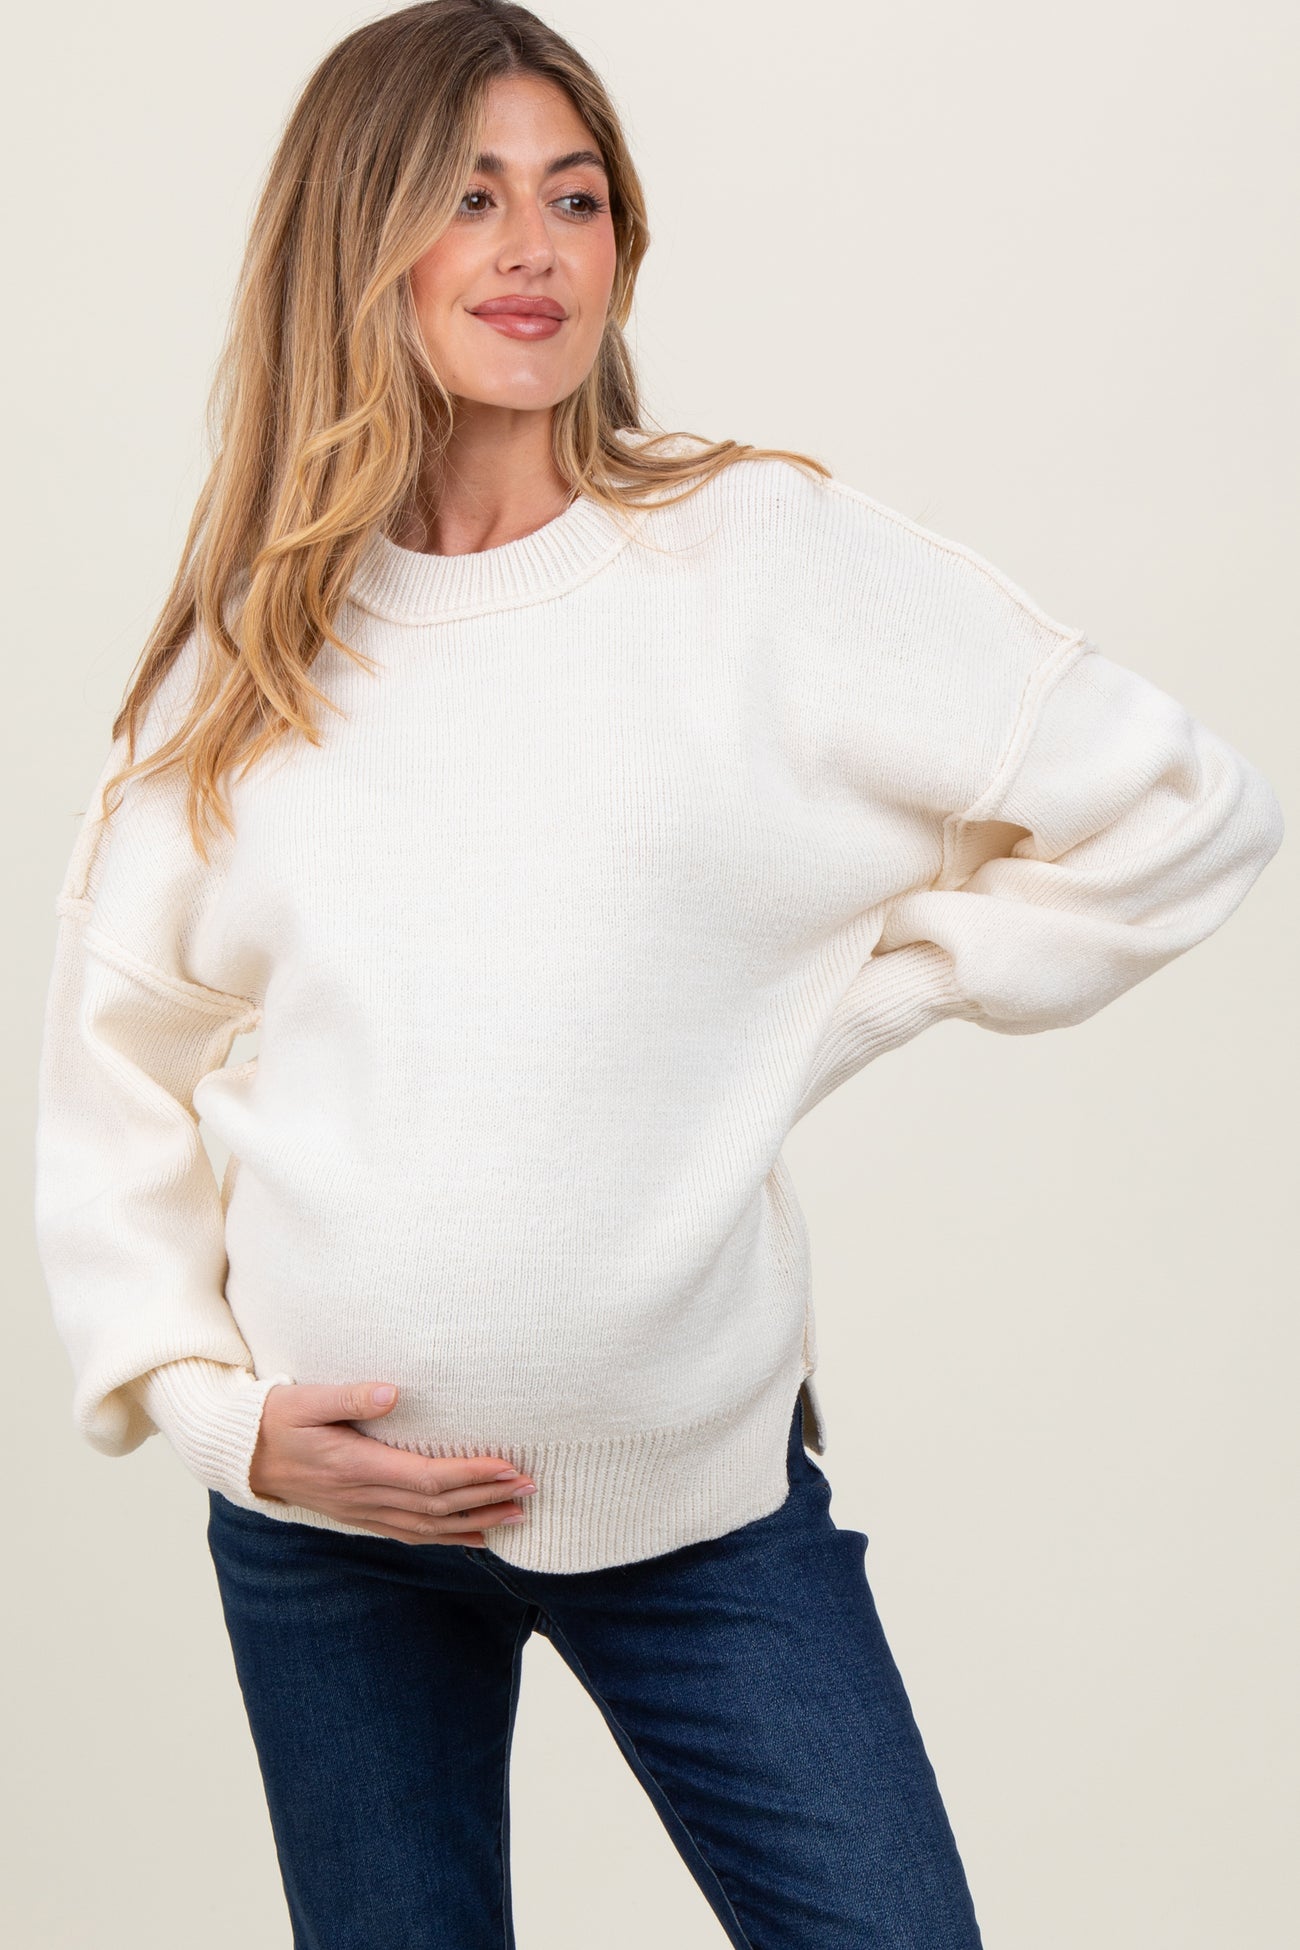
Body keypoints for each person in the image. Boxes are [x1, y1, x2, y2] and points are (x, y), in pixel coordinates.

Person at [32, 3, 1284, 1946]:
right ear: (356, 238)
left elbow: (1180, 810)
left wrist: (844, 1006)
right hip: (328, 1535)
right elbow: (118, 1059)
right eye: (468, 198)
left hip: (690, 1510)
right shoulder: (256, 647)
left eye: (576, 196)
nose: (532, 248)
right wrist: (215, 1414)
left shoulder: (747, 562)